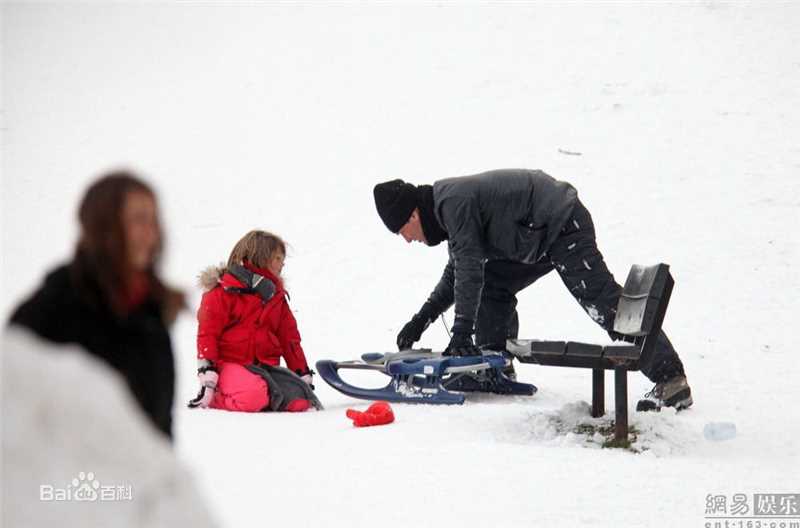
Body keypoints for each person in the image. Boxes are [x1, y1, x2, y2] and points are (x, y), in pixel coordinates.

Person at [373, 169, 692, 411]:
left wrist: (461, 333)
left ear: (413, 214)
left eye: (402, 230)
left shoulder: (451, 203)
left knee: (601, 299)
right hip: (535, 234)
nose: (406, 239)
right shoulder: (447, 206)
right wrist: (422, 320)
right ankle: (491, 363)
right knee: (493, 283)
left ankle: (670, 378)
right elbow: (458, 272)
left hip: (561, 223)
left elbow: (468, 270)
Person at [9, 171, 183, 438]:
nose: (151, 232)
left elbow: (158, 426)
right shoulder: (55, 305)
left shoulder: (151, 310)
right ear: (104, 225)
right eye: (139, 219)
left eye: (154, 219)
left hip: (136, 476)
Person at [190, 230, 318, 413]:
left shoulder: (276, 297)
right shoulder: (223, 292)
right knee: (254, 396)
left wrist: (301, 373)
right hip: (229, 365)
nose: (283, 263)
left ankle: (260, 395)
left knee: (300, 400)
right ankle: (219, 398)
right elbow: (207, 334)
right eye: (278, 258)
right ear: (261, 258)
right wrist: (208, 375)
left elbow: (289, 338)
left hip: (264, 367)